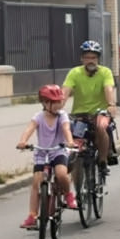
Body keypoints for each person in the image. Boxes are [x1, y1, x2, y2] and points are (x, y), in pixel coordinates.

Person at [16, 85, 77, 229]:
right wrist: (23, 141)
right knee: (37, 183)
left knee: (61, 174)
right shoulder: (38, 117)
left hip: (58, 151)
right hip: (42, 152)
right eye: (54, 102)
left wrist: (70, 141)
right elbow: (29, 129)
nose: (58, 105)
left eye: (59, 102)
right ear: (44, 103)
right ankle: (32, 216)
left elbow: (66, 129)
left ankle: (68, 194)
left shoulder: (62, 116)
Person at [63, 40, 118, 169]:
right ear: (82, 59)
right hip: (80, 115)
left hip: (101, 113)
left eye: (93, 57)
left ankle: (103, 160)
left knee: (101, 126)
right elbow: (65, 92)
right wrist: (57, 106)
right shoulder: (74, 73)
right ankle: (75, 172)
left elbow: (108, 89)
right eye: (87, 57)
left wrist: (111, 104)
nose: (90, 60)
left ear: (98, 59)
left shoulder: (105, 72)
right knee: (75, 142)